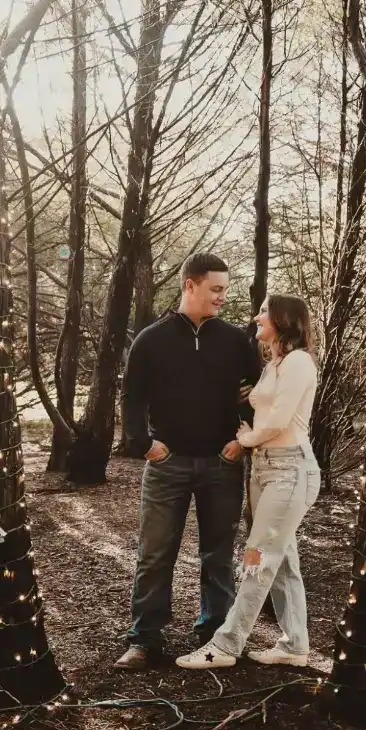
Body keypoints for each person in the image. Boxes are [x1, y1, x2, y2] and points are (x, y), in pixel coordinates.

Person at [114, 252, 262, 670]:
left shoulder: (235, 340)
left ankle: (215, 635)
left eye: (225, 290)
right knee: (155, 553)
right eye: (215, 289)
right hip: (167, 465)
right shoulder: (151, 339)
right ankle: (145, 639)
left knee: (218, 554)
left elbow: (253, 396)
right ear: (189, 285)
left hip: (221, 463)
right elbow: (132, 397)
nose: (221, 298)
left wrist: (243, 440)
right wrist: (143, 443)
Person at [175, 293, 320, 670]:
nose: (256, 317)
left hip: (290, 470)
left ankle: (225, 645)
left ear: (283, 320)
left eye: (264, 313)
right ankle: (294, 645)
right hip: (265, 470)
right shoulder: (275, 362)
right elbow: (265, 406)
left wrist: (246, 438)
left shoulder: (299, 362)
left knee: (257, 559)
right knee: (283, 561)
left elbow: (279, 420)